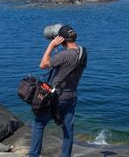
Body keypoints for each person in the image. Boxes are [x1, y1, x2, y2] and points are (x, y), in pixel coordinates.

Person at [29, 25, 87, 157]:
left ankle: (33, 155)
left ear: (62, 40)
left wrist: (51, 46)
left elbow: (43, 65)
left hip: (57, 97)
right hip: (72, 96)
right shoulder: (83, 52)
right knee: (67, 129)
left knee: (38, 123)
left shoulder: (63, 55)